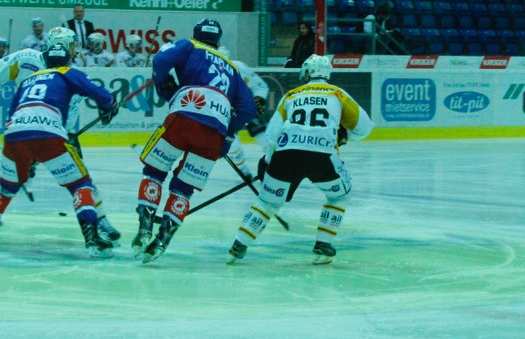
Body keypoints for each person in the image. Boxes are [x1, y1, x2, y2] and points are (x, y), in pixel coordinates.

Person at [0, 26, 125, 241]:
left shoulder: (69, 67)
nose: (76, 50)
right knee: (77, 180)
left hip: (31, 128)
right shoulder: (29, 58)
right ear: (61, 45)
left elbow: (70, 110)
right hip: (44, 129)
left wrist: (66, 134)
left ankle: (101, 220)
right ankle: (93, 224)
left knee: (9, 182)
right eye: (72, 45)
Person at [226, 54, 372, 265]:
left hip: (286, 155)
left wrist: (267, 161)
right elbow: (365, 127)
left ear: (306, 73)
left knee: (267, 202)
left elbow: (272, 134)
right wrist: (345, 137)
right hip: (321, 156)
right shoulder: (338, 94)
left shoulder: (291, 95)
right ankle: (323, 244)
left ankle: (238, 246)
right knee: (339, 197)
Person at [134, 18, 257, 262]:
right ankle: (163, 239)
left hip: (186, 112)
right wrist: (228, 135)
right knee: (184, 187)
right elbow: (248, 109)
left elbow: (159, 59)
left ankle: (145, 226)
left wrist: (162, 84)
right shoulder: (232, 68)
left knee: (155, 171)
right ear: (218, 41)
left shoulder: (189, 45)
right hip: (215, 129)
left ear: (196, 33)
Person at [215, 46, 269, 179]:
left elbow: (260, 85)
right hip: (224, 111)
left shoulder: (239, 67)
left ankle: (274, 166)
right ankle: (243, 170)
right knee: (231, 143)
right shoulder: (209, 70)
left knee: (263, 136)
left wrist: (259, 98)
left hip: (245, 107)